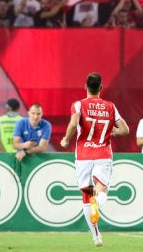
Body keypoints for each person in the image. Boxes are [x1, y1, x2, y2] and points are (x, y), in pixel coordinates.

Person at [60, 72, 129, 247]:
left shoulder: (79, 104)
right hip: (103, 154)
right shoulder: (110, 106)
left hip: (83, 156)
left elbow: (74, 123)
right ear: (101, 88)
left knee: (86, 195)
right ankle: (97, 202)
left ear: (85, 86)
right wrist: (112, 131)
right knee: (101, 190)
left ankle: (96, 237)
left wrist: (66, 139)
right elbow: (125, 130)